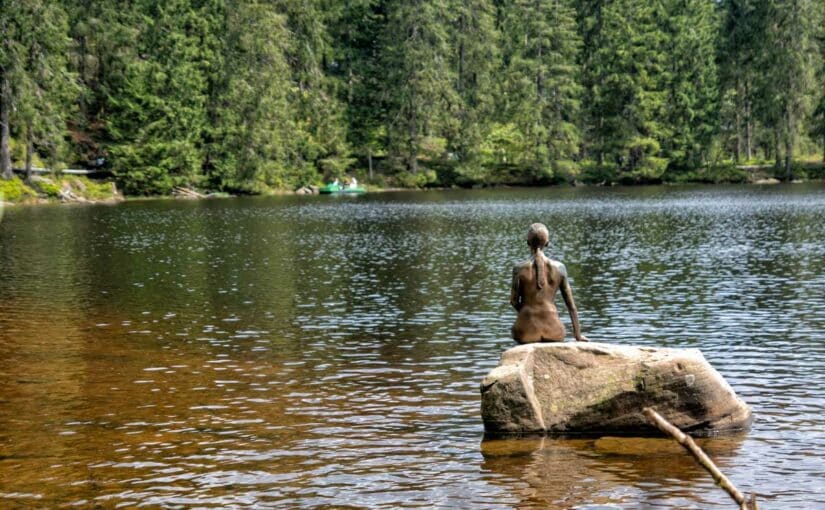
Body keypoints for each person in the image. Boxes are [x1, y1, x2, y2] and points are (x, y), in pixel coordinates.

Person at [510, 223, 589, 343]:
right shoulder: (560, 268)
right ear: (547, 243)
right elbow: (571, 306)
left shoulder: (519, 269)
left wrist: (528, 314)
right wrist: (578, 335)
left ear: (527, 243)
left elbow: (514, 301)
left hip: (526, 332)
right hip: (554, 331)